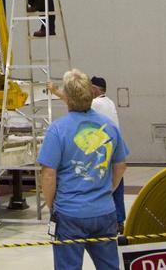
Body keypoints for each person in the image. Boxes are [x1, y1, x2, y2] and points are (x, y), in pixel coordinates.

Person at [38, 69, 128, 270]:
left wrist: (53, 206)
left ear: (68, 98)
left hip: (70, 212)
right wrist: (106, 192)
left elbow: (48, 174)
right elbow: (120, 166)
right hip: (104, 211)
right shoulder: (109, 127)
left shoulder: (58, 129)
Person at [49, 75, 126, 224]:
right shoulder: (109, 103)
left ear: (95, 90)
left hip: (101, 151)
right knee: (117, 187)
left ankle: (114, 218)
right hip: (111, 151)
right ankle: (119, 220)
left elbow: (72, 101)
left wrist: (54, 90)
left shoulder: (97, 104)